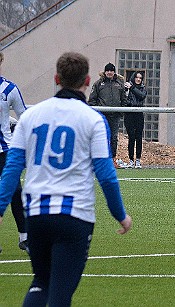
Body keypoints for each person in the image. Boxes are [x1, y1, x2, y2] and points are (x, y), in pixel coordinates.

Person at [0, 52, 132, 305]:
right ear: (88, 80)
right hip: (74, 216)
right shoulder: (94, 119)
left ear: (56, 79)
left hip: (37, 214)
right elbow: (106, 175)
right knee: (60, 293)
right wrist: (120, 214)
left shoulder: (31, 116)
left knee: (40, 283)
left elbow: (12, 168)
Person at [0, 51, 28, 254]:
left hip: (4, 150)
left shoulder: (9, 89)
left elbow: (24, 116)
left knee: (16, 192)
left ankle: (25, 237)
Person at [88, 62, 128, 169]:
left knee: (113, 138)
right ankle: (100, 160)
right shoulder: (98, 84)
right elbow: (92, 100)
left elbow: (124, 99)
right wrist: (97, 113)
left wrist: (121, 112)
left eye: (111, 70)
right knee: (101, 138)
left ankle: (113, 159)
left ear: (114, 72)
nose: (109, 72)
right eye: (108, 71)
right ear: (105, 72)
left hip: (115, 116)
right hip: (102, 116)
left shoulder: (119, 84)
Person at [124, 71, 147, 168]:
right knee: (131, 137)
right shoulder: (127, 87)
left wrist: (132, 88)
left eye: (140, 78)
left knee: (138, 137)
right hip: (129, 114)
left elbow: (141, 96)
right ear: (134, 78)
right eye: (137, 77)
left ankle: (138, 160)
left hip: (139, 114)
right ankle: (130, 160)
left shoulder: (143, 88)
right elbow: (124, 99)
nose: (138, 79)